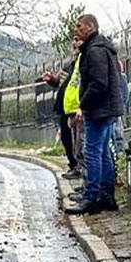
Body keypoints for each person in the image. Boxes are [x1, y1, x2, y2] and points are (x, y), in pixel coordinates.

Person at [65, 14, 124, 214]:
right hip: (107, 108)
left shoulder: (95, 51)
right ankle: (106, 194)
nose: (77, 29)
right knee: (104, 153)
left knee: (92, 152)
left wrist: (83, 105)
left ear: (90, 27)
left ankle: (92, 196)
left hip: (98, 110)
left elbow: (98, 83)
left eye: (79, 26)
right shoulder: (102, 47)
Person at [41, 40, 84, 179]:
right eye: (73, 47)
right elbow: (59, 82)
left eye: (77, 46)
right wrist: (51, 79)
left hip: (76, 107)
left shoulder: (85, 64)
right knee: (67, 138)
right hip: (65, 107)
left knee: (78, 140)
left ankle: (79, 167)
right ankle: (73, 164)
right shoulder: (68, 66)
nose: (74, 50)